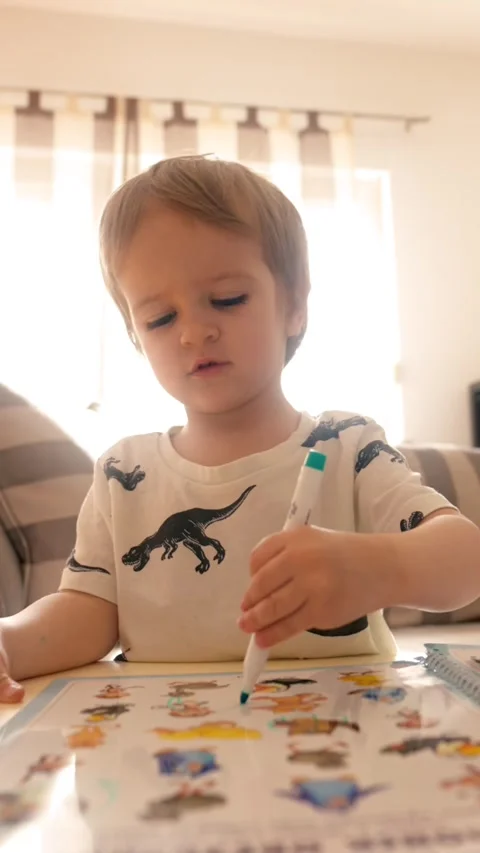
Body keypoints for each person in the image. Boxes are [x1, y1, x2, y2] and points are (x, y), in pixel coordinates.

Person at [1, 156, 479, 704]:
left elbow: (466, 559)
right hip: (166, 755)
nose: (194, 332)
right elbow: (87, 612)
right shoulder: (120, 472)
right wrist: (10, 640)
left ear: (294, 306)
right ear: (137, 337)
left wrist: (381, 567)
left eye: (227, 300)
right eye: (160, 319)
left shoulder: (347, 446)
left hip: (342, 751)